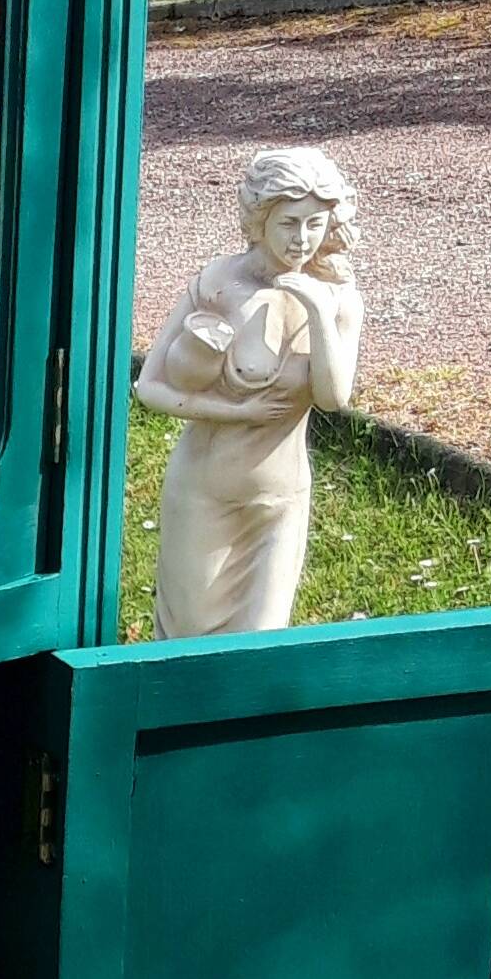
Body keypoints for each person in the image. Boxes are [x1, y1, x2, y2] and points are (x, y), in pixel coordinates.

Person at [134, 145, 363, 636]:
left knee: (258, 647)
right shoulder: (219, 284)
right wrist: (236, 411)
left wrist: (320, 314)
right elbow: (149, 386)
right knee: (186, 642)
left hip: (280, 500)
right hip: (203, 493)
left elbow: (333, 398)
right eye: (289, 223)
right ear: (261, 218)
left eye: (314, 223)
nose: (302, 239)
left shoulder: (340, 298)